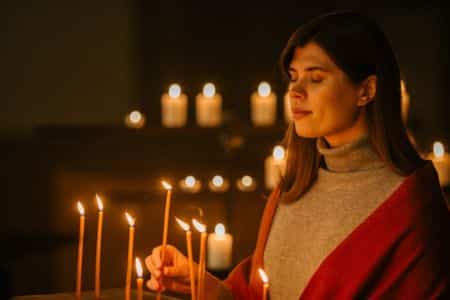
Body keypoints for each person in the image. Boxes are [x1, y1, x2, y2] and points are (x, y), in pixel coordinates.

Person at [145, 11, 450, 299]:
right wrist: (202, 283)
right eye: (293, 77)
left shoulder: (409, 203)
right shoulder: (294, 187)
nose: (296, 91)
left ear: (366, 90)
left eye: (315, 79)